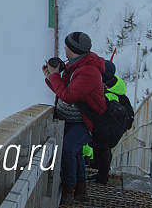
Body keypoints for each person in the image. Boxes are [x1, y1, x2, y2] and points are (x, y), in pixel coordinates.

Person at [43, 32, 107, 206]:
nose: (64, 48)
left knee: (68, 149)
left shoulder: (88, 71)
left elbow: (68, 96)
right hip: (74, 120)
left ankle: (69, 190)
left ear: (73, 49)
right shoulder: (76, 65)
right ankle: (81, 191)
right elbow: (61, 90)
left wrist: (55, 75)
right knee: (76, 153)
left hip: (85, 122)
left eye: (66, 46)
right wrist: (51, 77)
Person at [89, 60, 131, 184]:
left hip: (108, 126)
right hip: (114, 126)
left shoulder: (109, 93)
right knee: (104, 149)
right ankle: (102, 175)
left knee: (102, 148)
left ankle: (102, 177)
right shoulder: (116, 88)